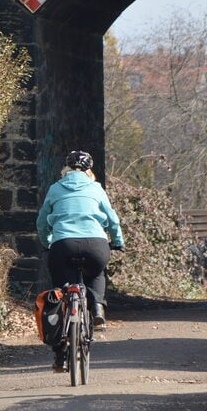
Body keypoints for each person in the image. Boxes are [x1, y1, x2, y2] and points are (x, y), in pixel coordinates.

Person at [36, 150, 124, 372]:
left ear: (65, 168)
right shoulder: (96, 188)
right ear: (89, 170)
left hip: (63, 244)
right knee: (95, 273)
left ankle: (60, 356)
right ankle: (97, 310)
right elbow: (112, 219)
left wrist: (47, 241)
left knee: (59, 294)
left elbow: (42, 220)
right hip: (95, 244)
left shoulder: (55, 188)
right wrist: (118, 241)